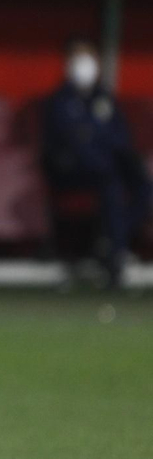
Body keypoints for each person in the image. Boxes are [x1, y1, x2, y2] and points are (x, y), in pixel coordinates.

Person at [42, 37, 151, 287]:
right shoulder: (59, 102)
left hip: (107, 167)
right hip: (72, 170)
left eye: (89, 57)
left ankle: (112, 239)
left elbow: (121, 137)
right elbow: (69, 141)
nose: (85, 64)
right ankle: (115, 257)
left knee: (142, 183)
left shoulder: (105, 99)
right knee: (109, 182)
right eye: (78, 57)